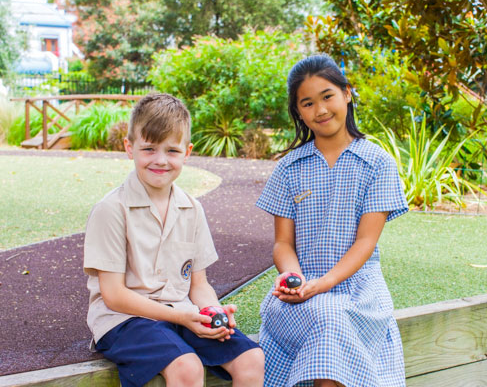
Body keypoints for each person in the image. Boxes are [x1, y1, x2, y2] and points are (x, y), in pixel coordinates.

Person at [83, 93, 264, 387]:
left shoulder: (192, 209)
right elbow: (114, 295)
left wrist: (212, 311)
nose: (160, 160)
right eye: (149, 149)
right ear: (129, 148)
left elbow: (199, 285)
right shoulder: (111, 209)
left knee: (252, 358)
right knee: (187, 367)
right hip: (123, 319)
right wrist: (181, 316)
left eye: (171, 150)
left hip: (180, 312)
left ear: (187, 152)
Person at [256, 54, 409, 387]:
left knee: (331, 319)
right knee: (326, 319)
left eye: (328, 96)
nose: (321, 110)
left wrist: (323, 285)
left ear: (347, 94)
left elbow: (366, 242)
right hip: (297, 293)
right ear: (298, 112)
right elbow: (282, 243)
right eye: (307, 103)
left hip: (360, 293)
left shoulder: (377, 163)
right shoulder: (288, 168)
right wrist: (293, 276)